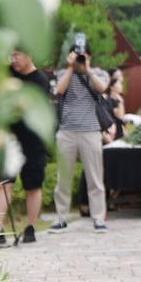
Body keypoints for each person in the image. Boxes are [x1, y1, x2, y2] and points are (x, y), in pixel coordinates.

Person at [0, 49, 51, 245]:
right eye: (11, 55)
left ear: (29, 55)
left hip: (33, 140)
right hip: (9, 138)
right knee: (4, 183)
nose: (13, 60)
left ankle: (30, 227)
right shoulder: (6, 74)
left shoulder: (41, 81)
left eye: (17, 55)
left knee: (33, 185)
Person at [51, 44, 112, 233]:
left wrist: (86, 70)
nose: (80, 59)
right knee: (63, 178)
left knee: (95, 177)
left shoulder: (98, 73)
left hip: (91, 131)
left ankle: (98, 218)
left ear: (90, 56)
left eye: (83, 56)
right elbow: (59, 91)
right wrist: (71, 67)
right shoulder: (63, 73)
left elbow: (102, 88)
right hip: (66, 132)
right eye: (77, 56)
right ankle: (61, 218)